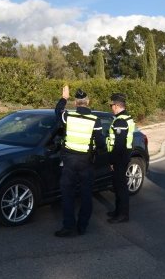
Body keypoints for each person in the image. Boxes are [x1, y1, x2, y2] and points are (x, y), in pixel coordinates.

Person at [54, 86, 106, 237]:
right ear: (88, 102)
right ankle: (82, 227)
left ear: (75, 103)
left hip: (69, 162)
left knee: (67, 195)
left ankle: (68, 227)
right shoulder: (95, 120)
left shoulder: (68, 117)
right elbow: (101, 143)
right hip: (86, 162)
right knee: (86, 195)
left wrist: (64, 97)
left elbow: (58, 112)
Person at [106, 93, 135, 224]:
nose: (111, 107)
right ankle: (118, 211)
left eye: (112, 105)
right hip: (123, 156)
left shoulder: (120, 120)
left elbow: (119, 143)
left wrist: (112, 161)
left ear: (117, 105)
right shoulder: (125, 118)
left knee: (121, 187)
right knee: (118, 186)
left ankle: (123, 214)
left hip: (120, 157)